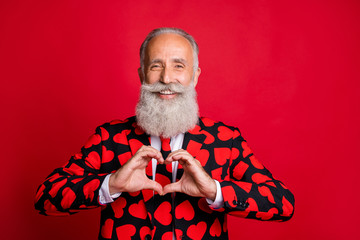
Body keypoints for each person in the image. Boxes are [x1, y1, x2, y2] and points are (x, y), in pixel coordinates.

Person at [35, 27, 295, 240]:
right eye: (156, 65)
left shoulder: (225, 140)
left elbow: (283, 204)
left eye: (179, 66)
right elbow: (46, 197)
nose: (167, 78)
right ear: (142, 74)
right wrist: (111, 184)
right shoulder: (108, 138)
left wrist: (213, 190)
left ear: (195, 76)